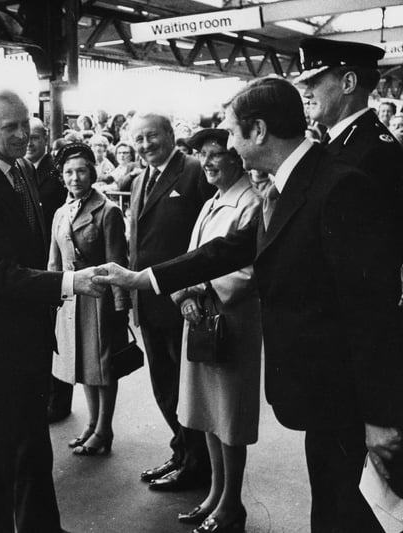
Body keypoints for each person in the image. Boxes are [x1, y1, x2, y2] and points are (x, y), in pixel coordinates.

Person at [96, 77, 403, 533]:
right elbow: (229, 249)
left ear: (259, 131)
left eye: (231, 132)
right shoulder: (297, 182)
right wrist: (144, 278)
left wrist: (380, 416)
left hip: (348, 397)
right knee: (329, 503)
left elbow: (371, 310)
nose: (226, 143)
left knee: (348, 514)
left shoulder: (340, 186)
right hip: (322, 393)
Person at [0, 89, 103, 533]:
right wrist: (71, 281)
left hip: (27, 335)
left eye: (26, 124)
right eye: (9, 127)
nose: (22, 134)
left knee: (33, 442)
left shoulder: (19, 170)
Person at [170, 129, 262, 532]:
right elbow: (192, 259)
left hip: (230, 322)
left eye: (216, 154)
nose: (206, 161)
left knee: (230, 416)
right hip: (201, 318)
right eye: (202, 154)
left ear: (238, 157)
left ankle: (231, 504)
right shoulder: (212, 203)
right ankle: (214, 494)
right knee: (209, 412)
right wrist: (183, 297)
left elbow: (247, 272)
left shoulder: (252, 204)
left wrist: (197, 291)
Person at [128, 111, 214, 492]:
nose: (146, 146)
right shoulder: (138, 180)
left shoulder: (195, 171)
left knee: (187, 386)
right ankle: (181, 450)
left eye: (152, 137)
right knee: (164, 383)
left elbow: (213, 237)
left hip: (184, 301)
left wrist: (196, 289)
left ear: (169, 135)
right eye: (139, 140)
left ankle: (197, 463)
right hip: (149, 299)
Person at [296, 37, 403, 283]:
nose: (306, 93)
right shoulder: (340, 141)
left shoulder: (375, 153)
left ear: (348, 82)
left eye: (314, 81)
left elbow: (371, 260)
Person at [48, 143, 130, 456]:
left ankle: (104, 428)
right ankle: (92, 423)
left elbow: (117, 263)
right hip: (70, 301)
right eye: (68, 172)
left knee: (103, 367)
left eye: (81, 170)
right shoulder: (60, 212)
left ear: (93, 172)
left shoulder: (107, 211)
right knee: (82, 366)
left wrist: (120, 307)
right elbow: (53, 263)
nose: (75, 177)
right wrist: (49, 299)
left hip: (99, 301)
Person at [24, 118, 73, 423]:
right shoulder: (20, 170)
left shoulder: (54, 174)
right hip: (33, 267)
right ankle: (47, 398)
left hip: (50, 263)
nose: (29, 142)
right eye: (26, 137)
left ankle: (60, 402)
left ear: (45, 140)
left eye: (35, 138)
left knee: (58, 336)